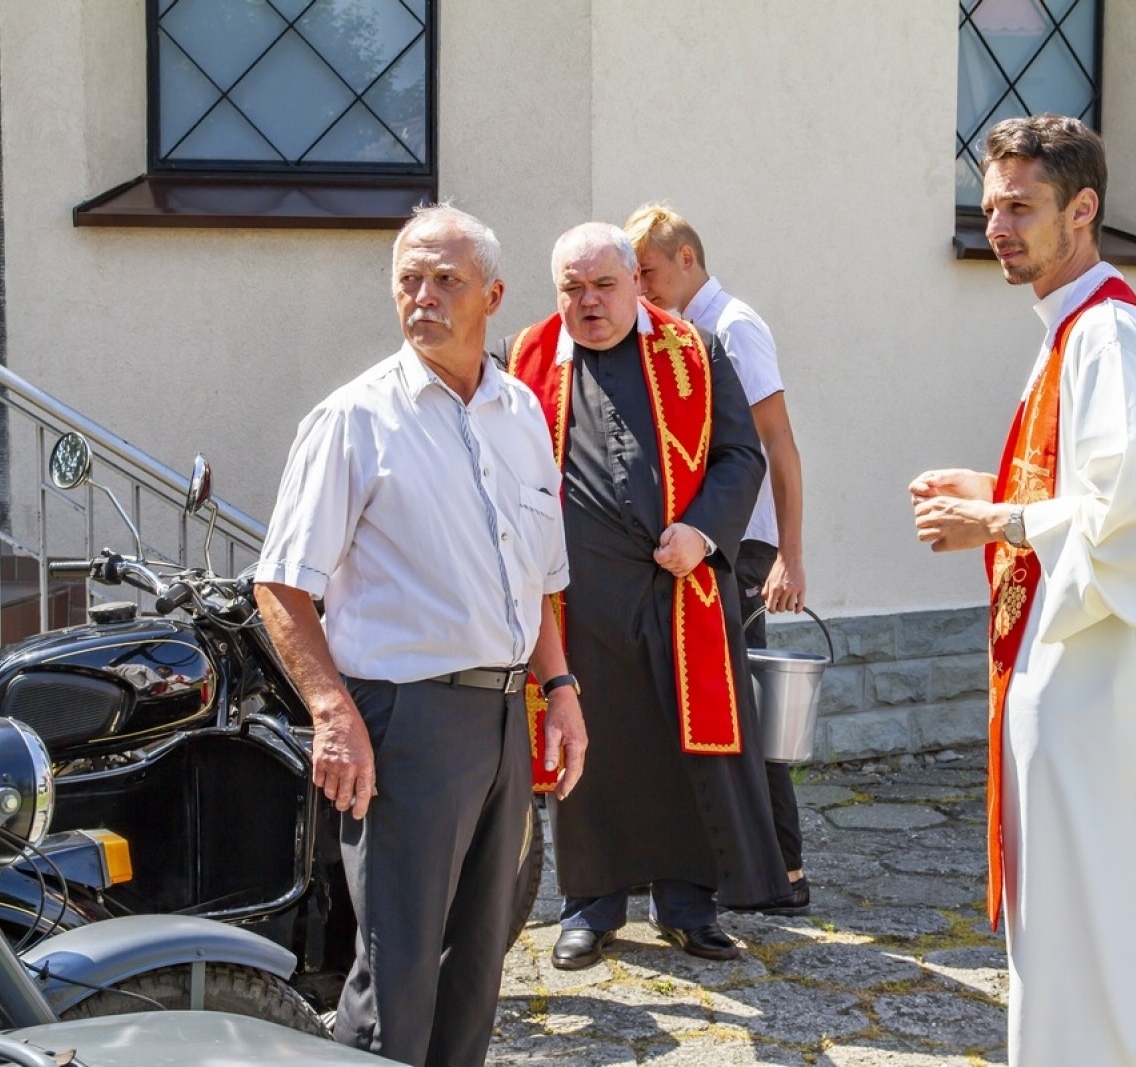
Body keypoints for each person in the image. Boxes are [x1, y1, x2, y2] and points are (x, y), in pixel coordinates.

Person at [909, 114, 1136, 1066]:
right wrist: (996, 490)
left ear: (1083, 208)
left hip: (1107, 696)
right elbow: (1085, 489)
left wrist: (999, 520)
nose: (997, 227)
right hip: (1071, 686)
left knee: (1104, 925)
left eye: (1021, 207)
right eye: (990, 207)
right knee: (1069, 932)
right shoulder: (1069, 329)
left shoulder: (1110, 335)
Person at [253, 203, 588, 1067]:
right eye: (409, 279)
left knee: (476, 968)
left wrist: (559, 688)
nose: (423, 296)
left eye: (446, 280)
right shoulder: (355, 418)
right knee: (396, 978)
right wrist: (333, 712)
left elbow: (538, 581)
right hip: (403, 721)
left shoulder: (520, 412)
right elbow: (280, 583)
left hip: (502, 720)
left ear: (493, 296)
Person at [502, 222, 787, 971]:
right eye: (572, 288)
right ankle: (590, 905)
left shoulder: (695, 350)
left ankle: (687, 904)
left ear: (636, 282)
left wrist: (703, 531)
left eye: (604, 285)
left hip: (678, 587)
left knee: (680, 749)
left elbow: (740, 455)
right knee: (586, 747)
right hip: (578, 598)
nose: (589, 302)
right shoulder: (525, 358)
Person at [623, 202, 811, 915]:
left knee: (741, 700)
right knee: (716, 697)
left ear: (687, 259)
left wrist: (790, 553)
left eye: (647, 272)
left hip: (744, 542)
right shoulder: (678, 334)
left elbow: (779, 444)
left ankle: (784, 868)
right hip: (712, 538)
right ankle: (732, 861)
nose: (640, 289)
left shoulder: (732, 328)